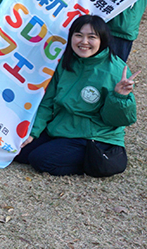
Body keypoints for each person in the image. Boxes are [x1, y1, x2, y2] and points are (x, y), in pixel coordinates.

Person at [17, 15, 137, 177]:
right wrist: (33, 132)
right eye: (79, 35)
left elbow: (116, 120)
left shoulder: (115, 69)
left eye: (91, 37)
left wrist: (120, 97)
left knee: (40, 160)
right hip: (63, 127)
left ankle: (97, 160)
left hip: (94, 135)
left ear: (102, 40)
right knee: (20, 153)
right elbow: (48, 101)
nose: (84, 42)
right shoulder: (67, 61)